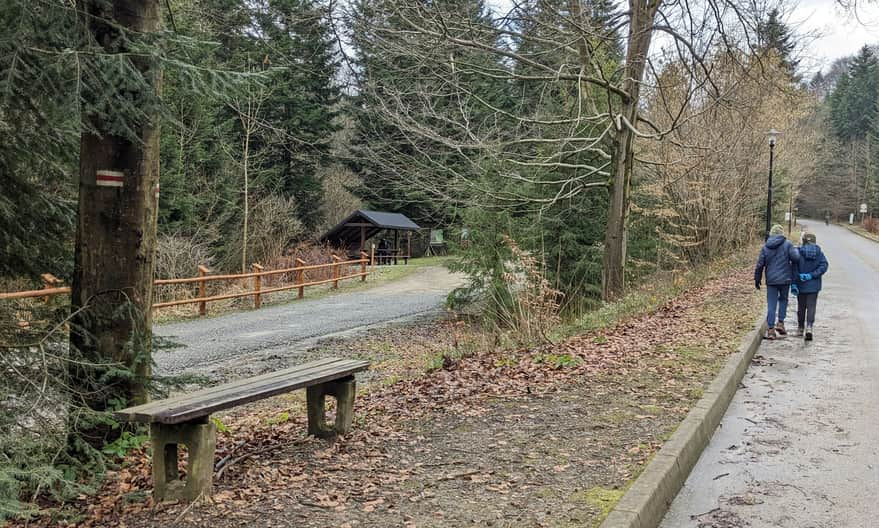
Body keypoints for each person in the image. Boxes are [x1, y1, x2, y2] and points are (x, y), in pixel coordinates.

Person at [754, 224, 800, 339]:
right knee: (783, 300)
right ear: (781, 233)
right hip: (785, 279)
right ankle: (780, 323)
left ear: (771, 234)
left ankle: (770, 330)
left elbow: (760, 265)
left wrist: (757, 279)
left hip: (771, 280)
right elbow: (796, 258)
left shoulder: (766, 247)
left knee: (771, 304)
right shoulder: (788, 244)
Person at [794, 232, 829, 341]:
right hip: (814, 286)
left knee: (801, 307)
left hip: (801, 284)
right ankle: (809, 327)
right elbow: (824, 265)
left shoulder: (798, 252)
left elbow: (794, 267)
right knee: (811, 307)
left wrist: (796, 280)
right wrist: (812, 275)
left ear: (803, 241)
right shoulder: (819, 253)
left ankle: (800, 328)